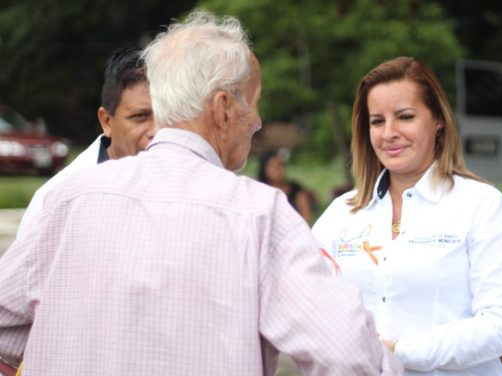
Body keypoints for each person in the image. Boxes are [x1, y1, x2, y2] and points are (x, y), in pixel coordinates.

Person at [0, 12, 401, 376]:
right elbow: (350, 358)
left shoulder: (69, 199)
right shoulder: (259, 215)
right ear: (223, 108)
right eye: (255, 103)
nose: (258, 122)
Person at [312, 57, 502, 375]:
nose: (389, 133)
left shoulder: (482, 207)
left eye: (405, 117)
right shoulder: (342, 213)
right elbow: (307, 302)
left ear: (438, 120)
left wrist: (400, 352)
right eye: (377, 121)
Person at [16, 47, 155, 235]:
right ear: (106, 121)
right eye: (140, 116)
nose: (156, 130)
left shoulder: (194, 184)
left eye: (167, 116)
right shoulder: (56, 199)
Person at [257, 149, 314, 224]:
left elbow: (307, 217)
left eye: (280, 165)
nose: (278, 169)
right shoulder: (260, 191)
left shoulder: (296, 190)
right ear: (264, 169)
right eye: (273, 166)